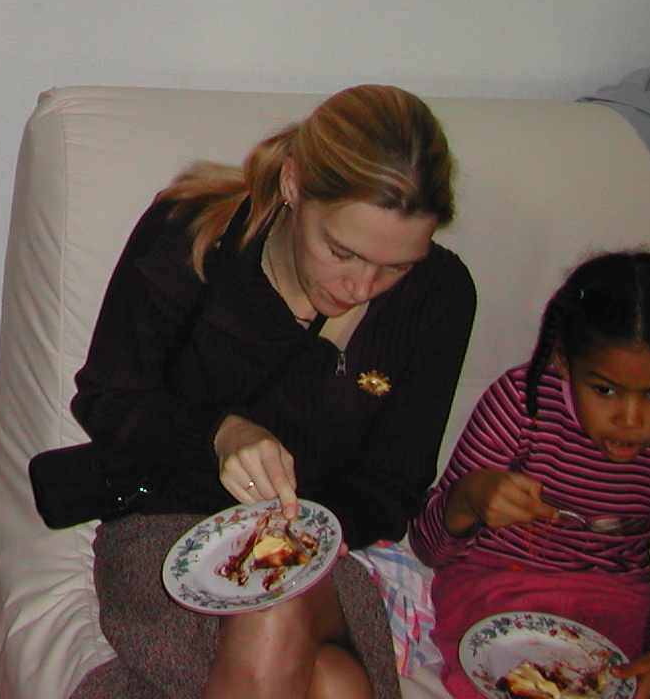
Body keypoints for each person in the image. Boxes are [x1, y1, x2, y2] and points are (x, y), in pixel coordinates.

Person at [69, 84, 476, 699]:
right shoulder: (193, 236)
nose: (362, 287)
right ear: (293, 185)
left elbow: (394, 486)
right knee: (334, 683)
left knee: (275, 595)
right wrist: (219, 432)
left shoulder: (439, 295)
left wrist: (298, 534)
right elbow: (106, 399)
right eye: (341, 251)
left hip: (322, 554)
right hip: (166, 534)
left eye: (397, 265)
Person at [412, 252, 650, 699]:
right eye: (604, 390)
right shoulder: (520, 406)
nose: (630, 419)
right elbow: (428, 548)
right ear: (563, 360)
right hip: (494, 586)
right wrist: (467, 499)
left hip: (619, 600)